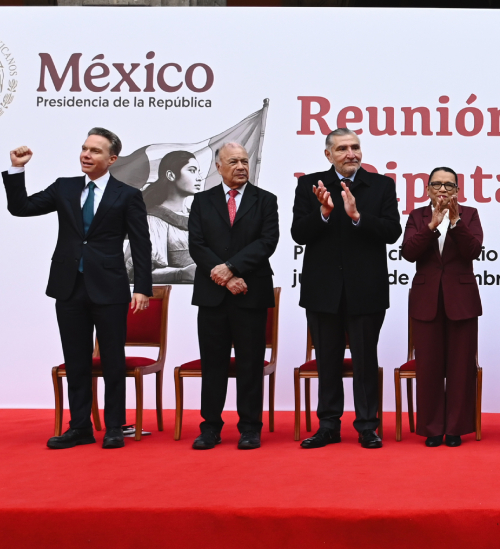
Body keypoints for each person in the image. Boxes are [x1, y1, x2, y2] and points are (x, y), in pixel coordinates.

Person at [3, 128, 152, 449]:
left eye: (95, 151)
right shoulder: (65, 187)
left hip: (109, 288)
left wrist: (142, 286)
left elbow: (141, 243)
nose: (86, 154)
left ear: (112, 159)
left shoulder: (127, 195)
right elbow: (21, 208)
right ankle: (80, 426)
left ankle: (114, 427)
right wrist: (17, 169)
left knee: (113, 360)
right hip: (69, 287)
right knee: (76, 360)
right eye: (84, 148)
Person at [291, 128, 401, 449]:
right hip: (322, 291)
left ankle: (368, 426)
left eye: (355, 147)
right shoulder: (309, 185)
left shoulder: (381, 185)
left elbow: (392, 231)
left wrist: (357, 216)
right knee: (328, 360)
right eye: (342, 149)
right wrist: (324, 213)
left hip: (366, 290)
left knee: (366, 360)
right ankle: (328, 426)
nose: (351, 153)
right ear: (329, 155)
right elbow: (299, 233)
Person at [187, 143, 279, 450]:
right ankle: (210, 427)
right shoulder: (201, 201)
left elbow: (268, 241)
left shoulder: (265, 200)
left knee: (250, 364)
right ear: (219, 166)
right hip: (213, 296)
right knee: (213, 364)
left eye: (244, 161)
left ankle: (250, 427)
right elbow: (197, 245)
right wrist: (224, 276)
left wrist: (232, 268)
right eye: (233, 161)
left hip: (250, 293)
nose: (241, 166)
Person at [401, 167, 484, 447]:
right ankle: (433, 428)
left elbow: (473, 251)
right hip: (426, 301)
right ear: (427, 189)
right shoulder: (417, 217)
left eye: (449, 185)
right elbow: (409, 252)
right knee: (430, 368)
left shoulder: (469, 214)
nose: (443, 189)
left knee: (462, 367)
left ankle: (455, 429)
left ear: (458, 191)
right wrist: (432, 226)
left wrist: (456, 221)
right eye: (437, 184)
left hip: (461, 301)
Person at [126, 150, 201, 283]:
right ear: (171, 175)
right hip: (177, 297)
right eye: (192, 170)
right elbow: (141, 271)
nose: (199, 177)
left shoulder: (199, 218)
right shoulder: (153, 219)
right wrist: (182, 273)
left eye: (198, 171)